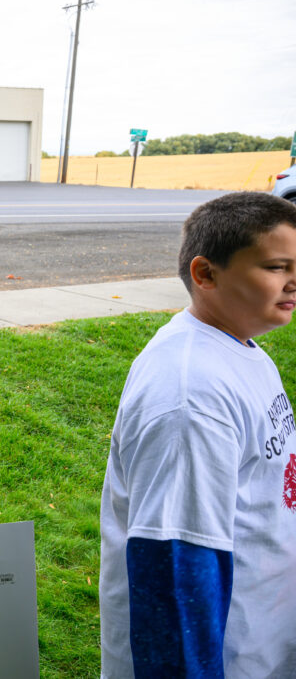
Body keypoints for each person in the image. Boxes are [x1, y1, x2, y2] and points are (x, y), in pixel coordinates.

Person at [99, 192, 296, 677]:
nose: (293, 281)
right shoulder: (192, 396)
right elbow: (174, 570)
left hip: (264, 642)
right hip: (225, 659)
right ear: (205, 274)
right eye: (276, 266)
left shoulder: (240, 346)